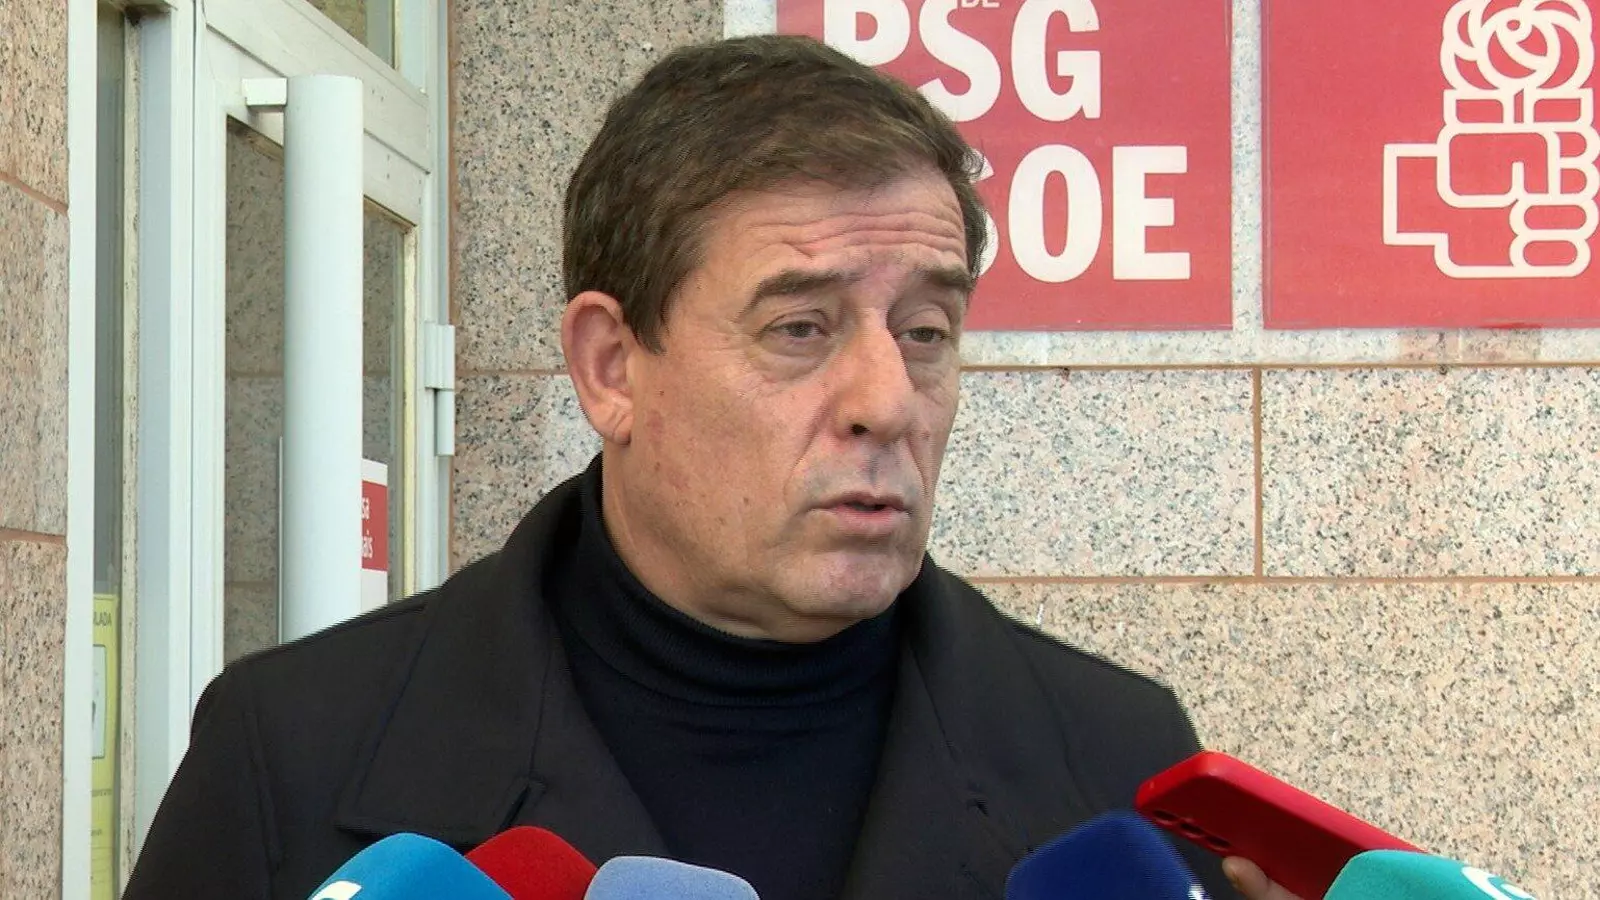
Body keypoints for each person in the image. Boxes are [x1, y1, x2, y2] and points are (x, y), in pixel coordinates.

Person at [124, 34, 1298, 900]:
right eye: (800, 328)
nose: (887, 400)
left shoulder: (1114, 759)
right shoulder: (293, 753)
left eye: (925, 330)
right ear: (611, 367)